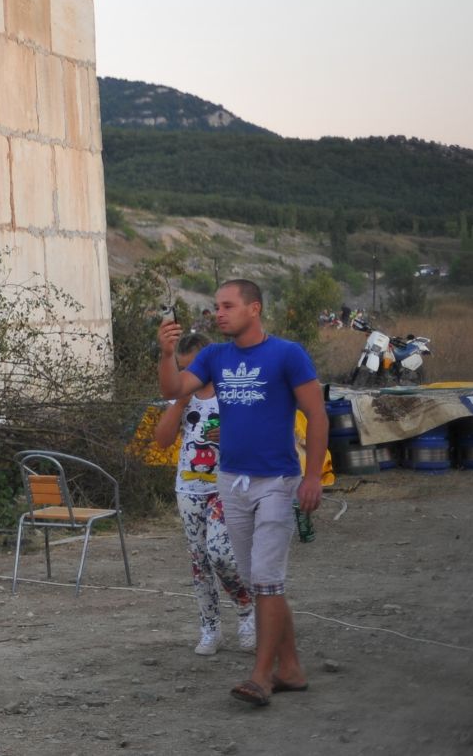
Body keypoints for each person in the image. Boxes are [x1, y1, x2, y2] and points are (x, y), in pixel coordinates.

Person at [159, 278, 326, 708]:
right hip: (230, 481)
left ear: (254, 309)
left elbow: (317, 415)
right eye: (216, 306)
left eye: (228, 305)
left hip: (276, 480)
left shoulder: (287, 354)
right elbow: (174, 390)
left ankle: (261, 676)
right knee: (260, 581)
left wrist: (312, 478)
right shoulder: (215, 355)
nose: (219, 313)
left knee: (267, 581)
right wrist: (165, 354)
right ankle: (290, 668)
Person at [151, 329, 256, 656]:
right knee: (199, 562)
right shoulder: (182, 395)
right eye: (182, 368)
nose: (189, 375)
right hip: (190, 487)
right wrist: (180, 400)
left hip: (226, 486)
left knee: (221, 553)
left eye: (193, 367)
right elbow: (163, 440)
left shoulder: (233, 392)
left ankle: (246, 610)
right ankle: (210, 627)